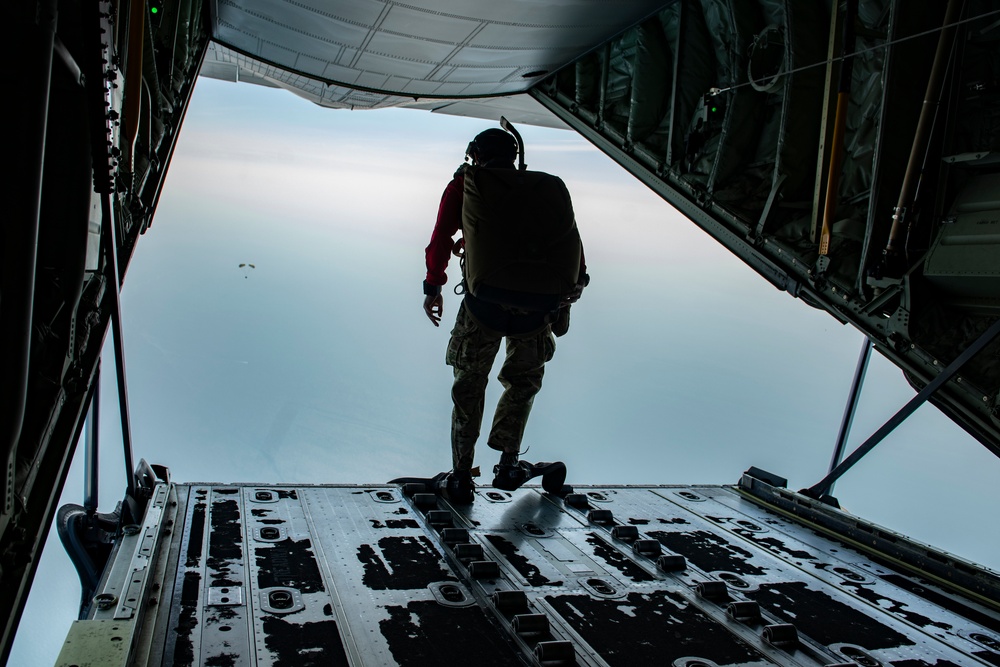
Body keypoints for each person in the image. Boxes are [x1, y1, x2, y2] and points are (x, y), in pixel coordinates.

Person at [422, 126, 588, 503]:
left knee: (469, 385)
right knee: (522, 382)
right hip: (537, 313)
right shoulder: (541, 190)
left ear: (475, 155)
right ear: (515, 157)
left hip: (484, 308)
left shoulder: (467, 185)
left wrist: (433, 287)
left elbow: (440, 240)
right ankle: (509, 462)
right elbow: (572, 244)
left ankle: (462, 476)